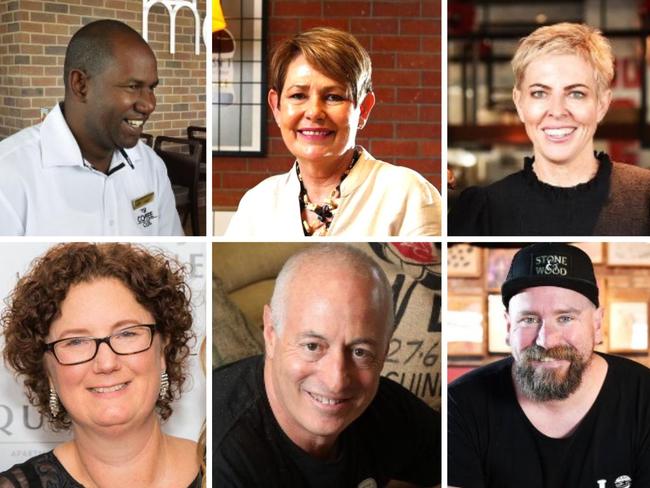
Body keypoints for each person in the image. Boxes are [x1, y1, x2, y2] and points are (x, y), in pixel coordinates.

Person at [213, 244, 441, 486]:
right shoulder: (225, 460)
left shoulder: (385, 409)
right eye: (313, 346)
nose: (336, 381)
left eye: (359, 352)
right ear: (270, 333)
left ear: (384, 351)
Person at [448, 243, 650, 488]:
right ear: (509, 326)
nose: (546, 340)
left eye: (565, 318)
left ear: (597, 325)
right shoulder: (461, 404)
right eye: (529, 319)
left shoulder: (644, 397)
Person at [0, 243, 200, 487]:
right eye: (76, 341)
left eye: (127, 334)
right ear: (47, 370)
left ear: (163, 351)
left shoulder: (221, 466)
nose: (106, 363)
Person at [225, 28, 441, 237]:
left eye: (334, 97)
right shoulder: (257, 203)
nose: (314, 112)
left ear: (363, 108)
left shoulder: (408, 194)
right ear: (276, 107)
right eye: (298, 95)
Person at [449, 23, 650, 236]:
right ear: (519, 103)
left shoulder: (644, 196)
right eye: (539, 93)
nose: (557, 111)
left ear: (602, 104)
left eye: (576, 94)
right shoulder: (484, 212)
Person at [0, 20, 183, 236]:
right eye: (133, 87)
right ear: (81, 85)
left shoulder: (151, 167)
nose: (149, 104)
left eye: (151, 88)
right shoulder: (9, 174)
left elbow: (171, 256)